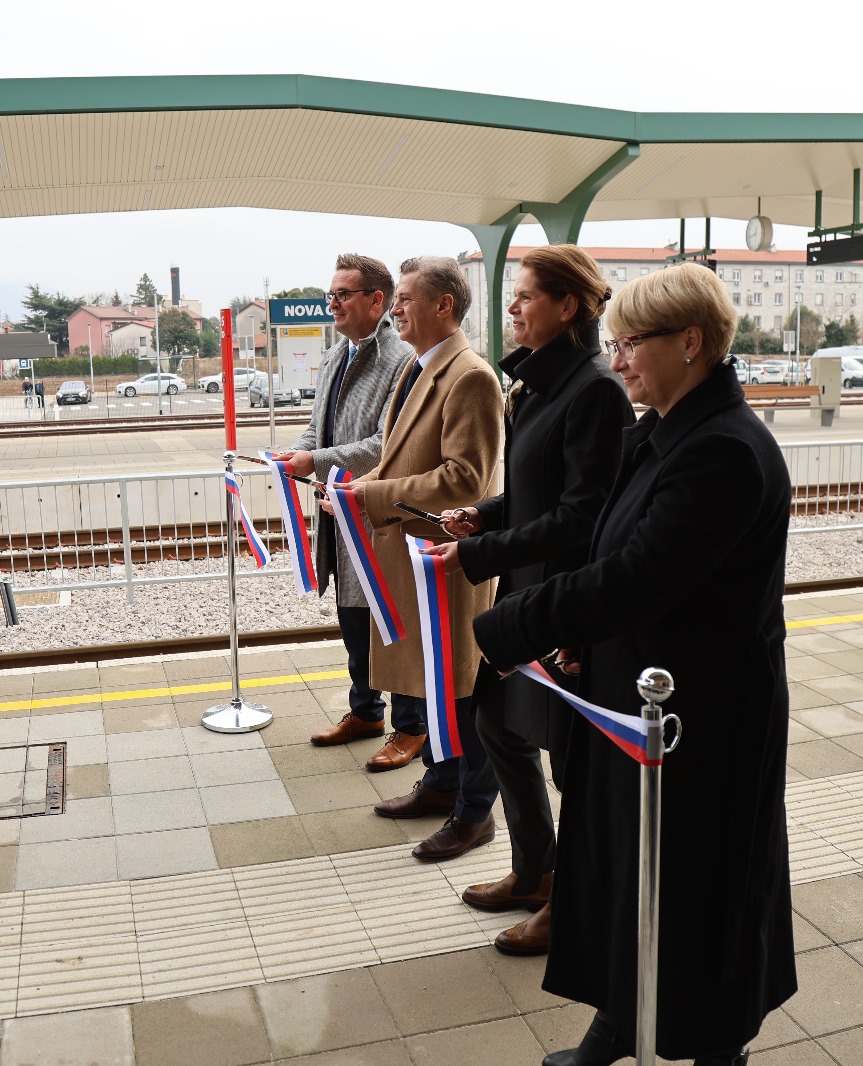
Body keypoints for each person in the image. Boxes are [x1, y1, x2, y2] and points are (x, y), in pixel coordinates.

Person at [473, 263, 796, 1066]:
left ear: (691, 342)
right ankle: (624, 1015)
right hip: (641, 694)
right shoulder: (669, 429)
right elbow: (612, 546)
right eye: (613, 344)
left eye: (631, 344)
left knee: (699, 883)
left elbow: (637, 576)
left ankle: (717, 1045)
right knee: (627, 866)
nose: (616, 360)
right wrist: (581, 639)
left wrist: (512, 621)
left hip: (703, 717)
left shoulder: (722, 451)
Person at [421, 245, 631, 955]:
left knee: (569, 761)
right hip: (525, 592)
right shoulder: (539, 386)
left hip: (561, 604)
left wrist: (478, 551)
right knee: (497, 724)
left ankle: (570, 902)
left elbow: (582, 515)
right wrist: (488, 514)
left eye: (525, 297)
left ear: (568, 306)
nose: (511, 309)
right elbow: (540, 491)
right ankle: (535, 870)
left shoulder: (595, 390)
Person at [341, 255, 503, 862]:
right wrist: (357, 494)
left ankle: (474, 811)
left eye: (407, 297)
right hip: (411, 561)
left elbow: (468, 478)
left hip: (445, 565)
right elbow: (393, 458)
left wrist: (374, 496)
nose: (397, 307)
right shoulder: (418, 368)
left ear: (444, 306)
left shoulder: (471, 377)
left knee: (460, 687)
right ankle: (440, 783)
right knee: (433, 685)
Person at [268, 255, 419, 768]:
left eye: (343, 294)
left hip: (375, 517)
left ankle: (411, 727)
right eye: (330, 294)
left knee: (388, 622)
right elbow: (318, 428)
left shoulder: (401, 361)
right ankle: (366, 711)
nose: (331, 303)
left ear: (378, 300)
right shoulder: (337, 356)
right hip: (338, 512)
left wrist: (319, 459)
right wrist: (298, 455)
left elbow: (388, 446)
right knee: (353, 620)